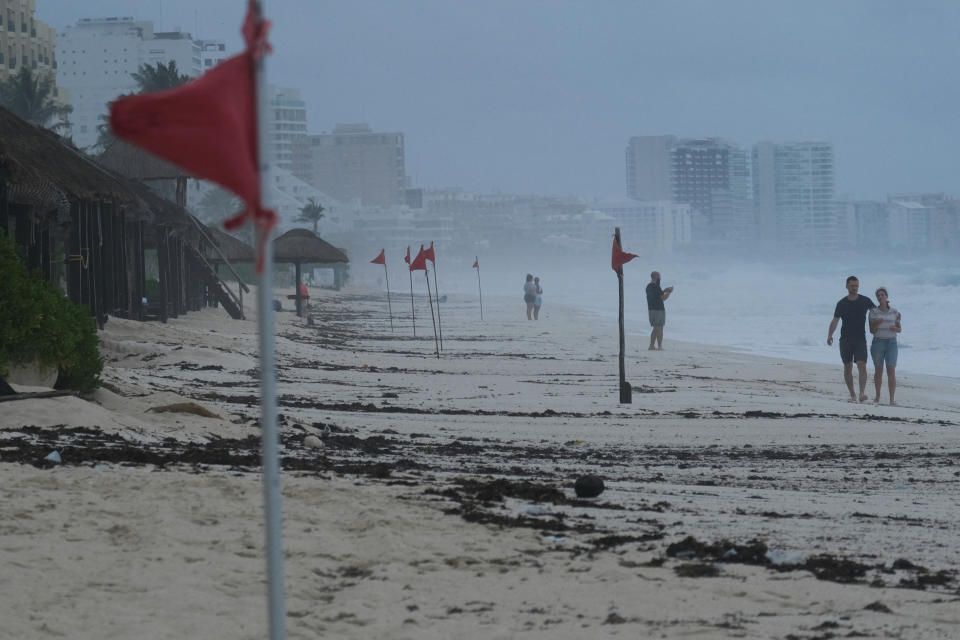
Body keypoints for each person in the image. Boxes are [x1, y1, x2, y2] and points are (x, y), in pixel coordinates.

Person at [827, 275, 876, 402]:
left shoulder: (865, 300)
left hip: (860, 338)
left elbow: (877, 312)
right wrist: (830, 335)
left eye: (856, 286)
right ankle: (852, 394)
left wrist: (892, 314)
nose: (854, 288)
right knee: (847, 367)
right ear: (847, 286)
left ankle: (861, 393)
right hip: (845, 340)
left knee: (862, 364)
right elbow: (835, 320)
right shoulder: (841, 303)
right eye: (852, 286)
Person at [869, 287, 901, 405]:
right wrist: (876, 323)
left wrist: (895, 328)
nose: (880, 297)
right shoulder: (873, 312)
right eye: (878, 295)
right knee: (878, 370)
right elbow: (871, 330)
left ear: (886, 296)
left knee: (891, 370)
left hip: (892, 342)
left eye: (882, 295)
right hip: (878, 342)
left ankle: (892, 399)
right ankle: (877, 397)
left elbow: (899, 329)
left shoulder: (895, 312)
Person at [645, 271, 674, 350]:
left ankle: (651, 345)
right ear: (656, 277)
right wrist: (669, 292)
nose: (660, 278)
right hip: (658, 310)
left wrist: (664, 291)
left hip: (652, 310)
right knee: (659, 327)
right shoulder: (655, 286)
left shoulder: (649, 286)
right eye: (659, 276)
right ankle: (660, 346)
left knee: (656, 328)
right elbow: (662, 298)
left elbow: (658, 295)